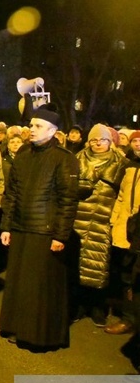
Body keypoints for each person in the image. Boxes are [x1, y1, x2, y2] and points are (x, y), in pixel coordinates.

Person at [0, 105, 79, 350]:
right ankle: (16, 326)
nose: (31, 130)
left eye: (37, 126)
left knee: (39, 287)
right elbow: (11, 195)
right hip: (21, 228)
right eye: (31, 125)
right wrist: (6, 226)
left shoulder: (64, 159)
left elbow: (68, 200)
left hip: (45, 232)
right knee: (19, 283)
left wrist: (60, 234)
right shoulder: (23, 156)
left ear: (53, 131)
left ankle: (37, 335)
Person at [71, 124, 128, 327]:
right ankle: (78, 304)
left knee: (99, 265)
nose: (97, 143)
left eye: (102, 140)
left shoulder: (121, 163)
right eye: (94, 140)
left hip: (103, 220)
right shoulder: (78, 158)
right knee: (77, 263)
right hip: (78, 218)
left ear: (109, 141)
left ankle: (97, 307)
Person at [106, 130, 140, 334]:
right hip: (125, 228)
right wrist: (114, 221)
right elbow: (121, 197)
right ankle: (129, 318)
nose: (137, 144)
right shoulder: (129, 166)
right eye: (135, 141)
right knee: (126, 275)